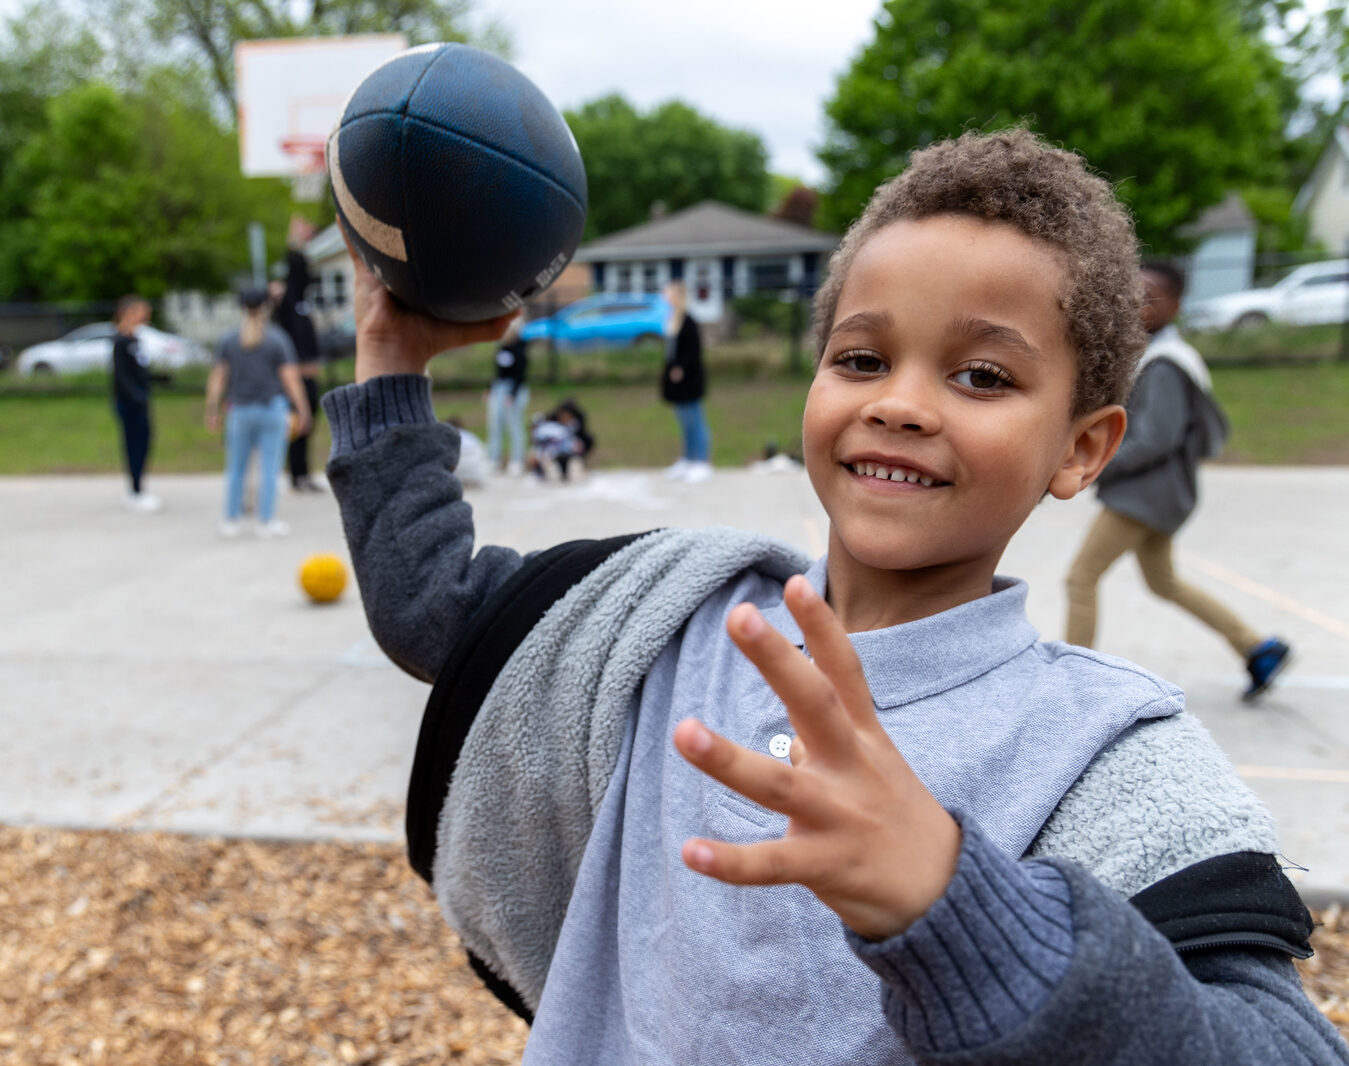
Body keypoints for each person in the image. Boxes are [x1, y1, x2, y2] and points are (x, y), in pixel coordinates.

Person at [321, 131, 1348, 1064]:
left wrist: (954, 905)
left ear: (1081, 448)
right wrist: (392, 355)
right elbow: (436, 611)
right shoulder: (671, 614)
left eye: (981, 376)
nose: (899, 402)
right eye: (861, 359)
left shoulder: (1101, 753)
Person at [1065, 260, 1292, 700]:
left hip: (1145, 496)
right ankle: (1256, 647)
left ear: (1178, 305)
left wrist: (1094, 466)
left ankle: (1074, 681)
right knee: (1163, 581)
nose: (1141, 302)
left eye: (1153, 294)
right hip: (1159, 495)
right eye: (1135, 292)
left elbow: (1155, 439)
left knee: (1081, 577)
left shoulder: (1168, 364)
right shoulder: (1156, 354)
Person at [205, 287, 311, 538]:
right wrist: (303, 409)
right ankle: (266, 521)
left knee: (236, 469)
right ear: (267, 307)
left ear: (242, 308)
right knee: (270, 469)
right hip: (271, 409)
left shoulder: (229, 339)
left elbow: (218, 377)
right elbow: (290, 379)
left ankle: (231, 519)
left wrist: (212, 408)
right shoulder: (277, 339)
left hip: (239, 411)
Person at [272, 215, 325, 493]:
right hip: (298, 380)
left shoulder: (302, 307)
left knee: (307, 427)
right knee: (297, 427)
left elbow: (302, 275)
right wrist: (294, 242)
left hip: (310, 378)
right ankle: (296, 475)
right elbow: (295, 271)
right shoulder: (288, 309)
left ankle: (302, 473)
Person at [110, 294, 162, 513]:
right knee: (134, 445)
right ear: (128, 313)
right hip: (130, 404)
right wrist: (138, 397)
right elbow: (121, 377)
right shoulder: (120, 341)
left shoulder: (135, 340)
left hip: (140, 401)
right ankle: (135, 491)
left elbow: (139, 371)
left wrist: (159, 379)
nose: (145, 316)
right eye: (142, 311)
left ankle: (139, 487)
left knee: (144, 444)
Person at [661, 279, 712, 483]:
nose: (666, 296)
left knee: (696, 421)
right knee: (684, 423)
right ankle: (688, 459)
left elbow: (693, 351)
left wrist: (681, 368)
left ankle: (702, 461)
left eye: (669, 293)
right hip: (678, 386)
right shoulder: (673, 319)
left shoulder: (689, 321)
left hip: (689, 383)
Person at [486, 317, 530, 474]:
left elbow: (520, 375)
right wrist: (490, 389)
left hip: (514, 390)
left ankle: (517, 460)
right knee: (495, 424)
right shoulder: (501, 348)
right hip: (499, 388)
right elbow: (498, 372)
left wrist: (512, 394)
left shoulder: (520, 349)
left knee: (514, 425)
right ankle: (493, 458)